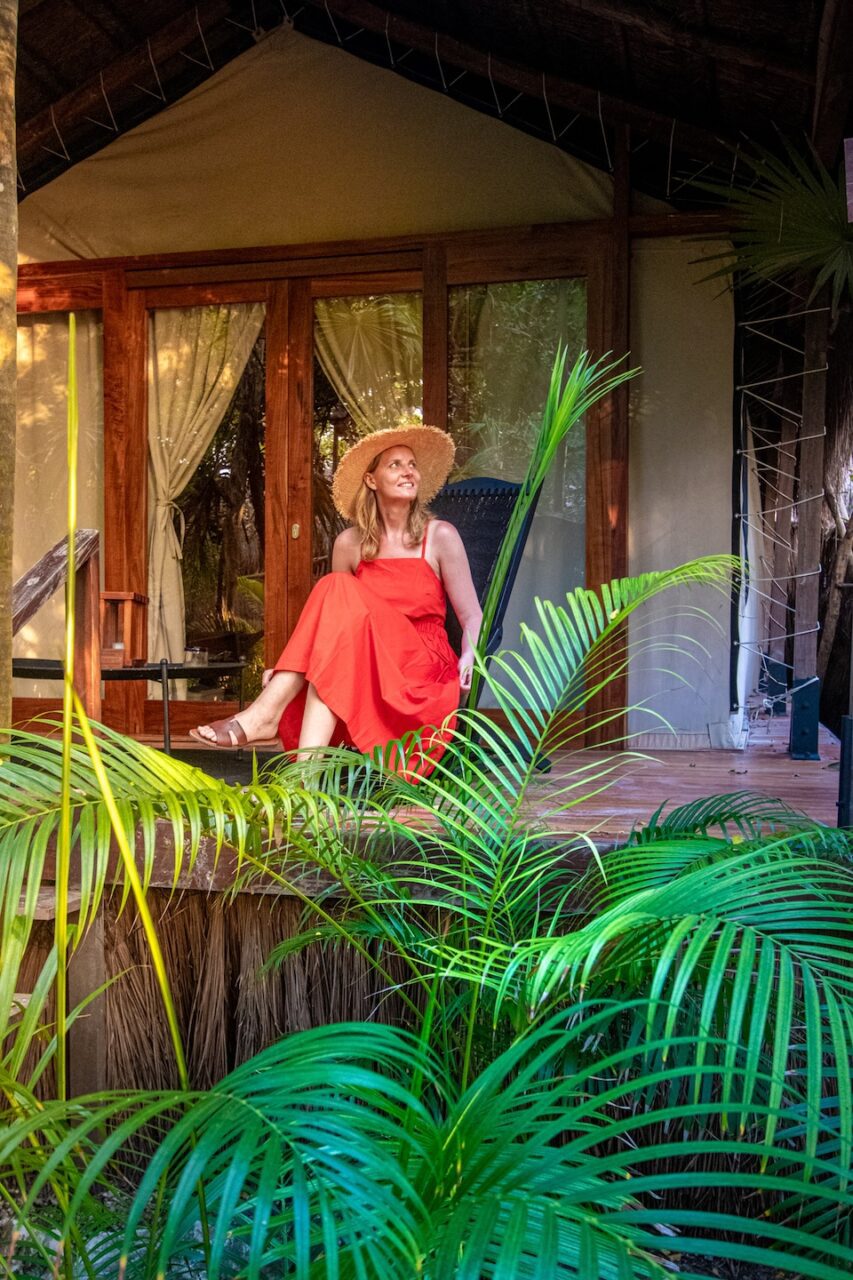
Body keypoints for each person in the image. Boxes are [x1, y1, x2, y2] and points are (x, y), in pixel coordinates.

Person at [190, 424, 482, 774]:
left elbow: (472, 616)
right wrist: (296, 666)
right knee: (334, 639)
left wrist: (469, 653)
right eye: (395, 465)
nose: (408, 471)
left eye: (412, 464)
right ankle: (305, 783)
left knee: (333, 588)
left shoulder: (440, 536)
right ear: (371, 480)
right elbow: (335, 627)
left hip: (420, 666)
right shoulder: (349, 544)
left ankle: (266, 713)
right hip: (369, 666)